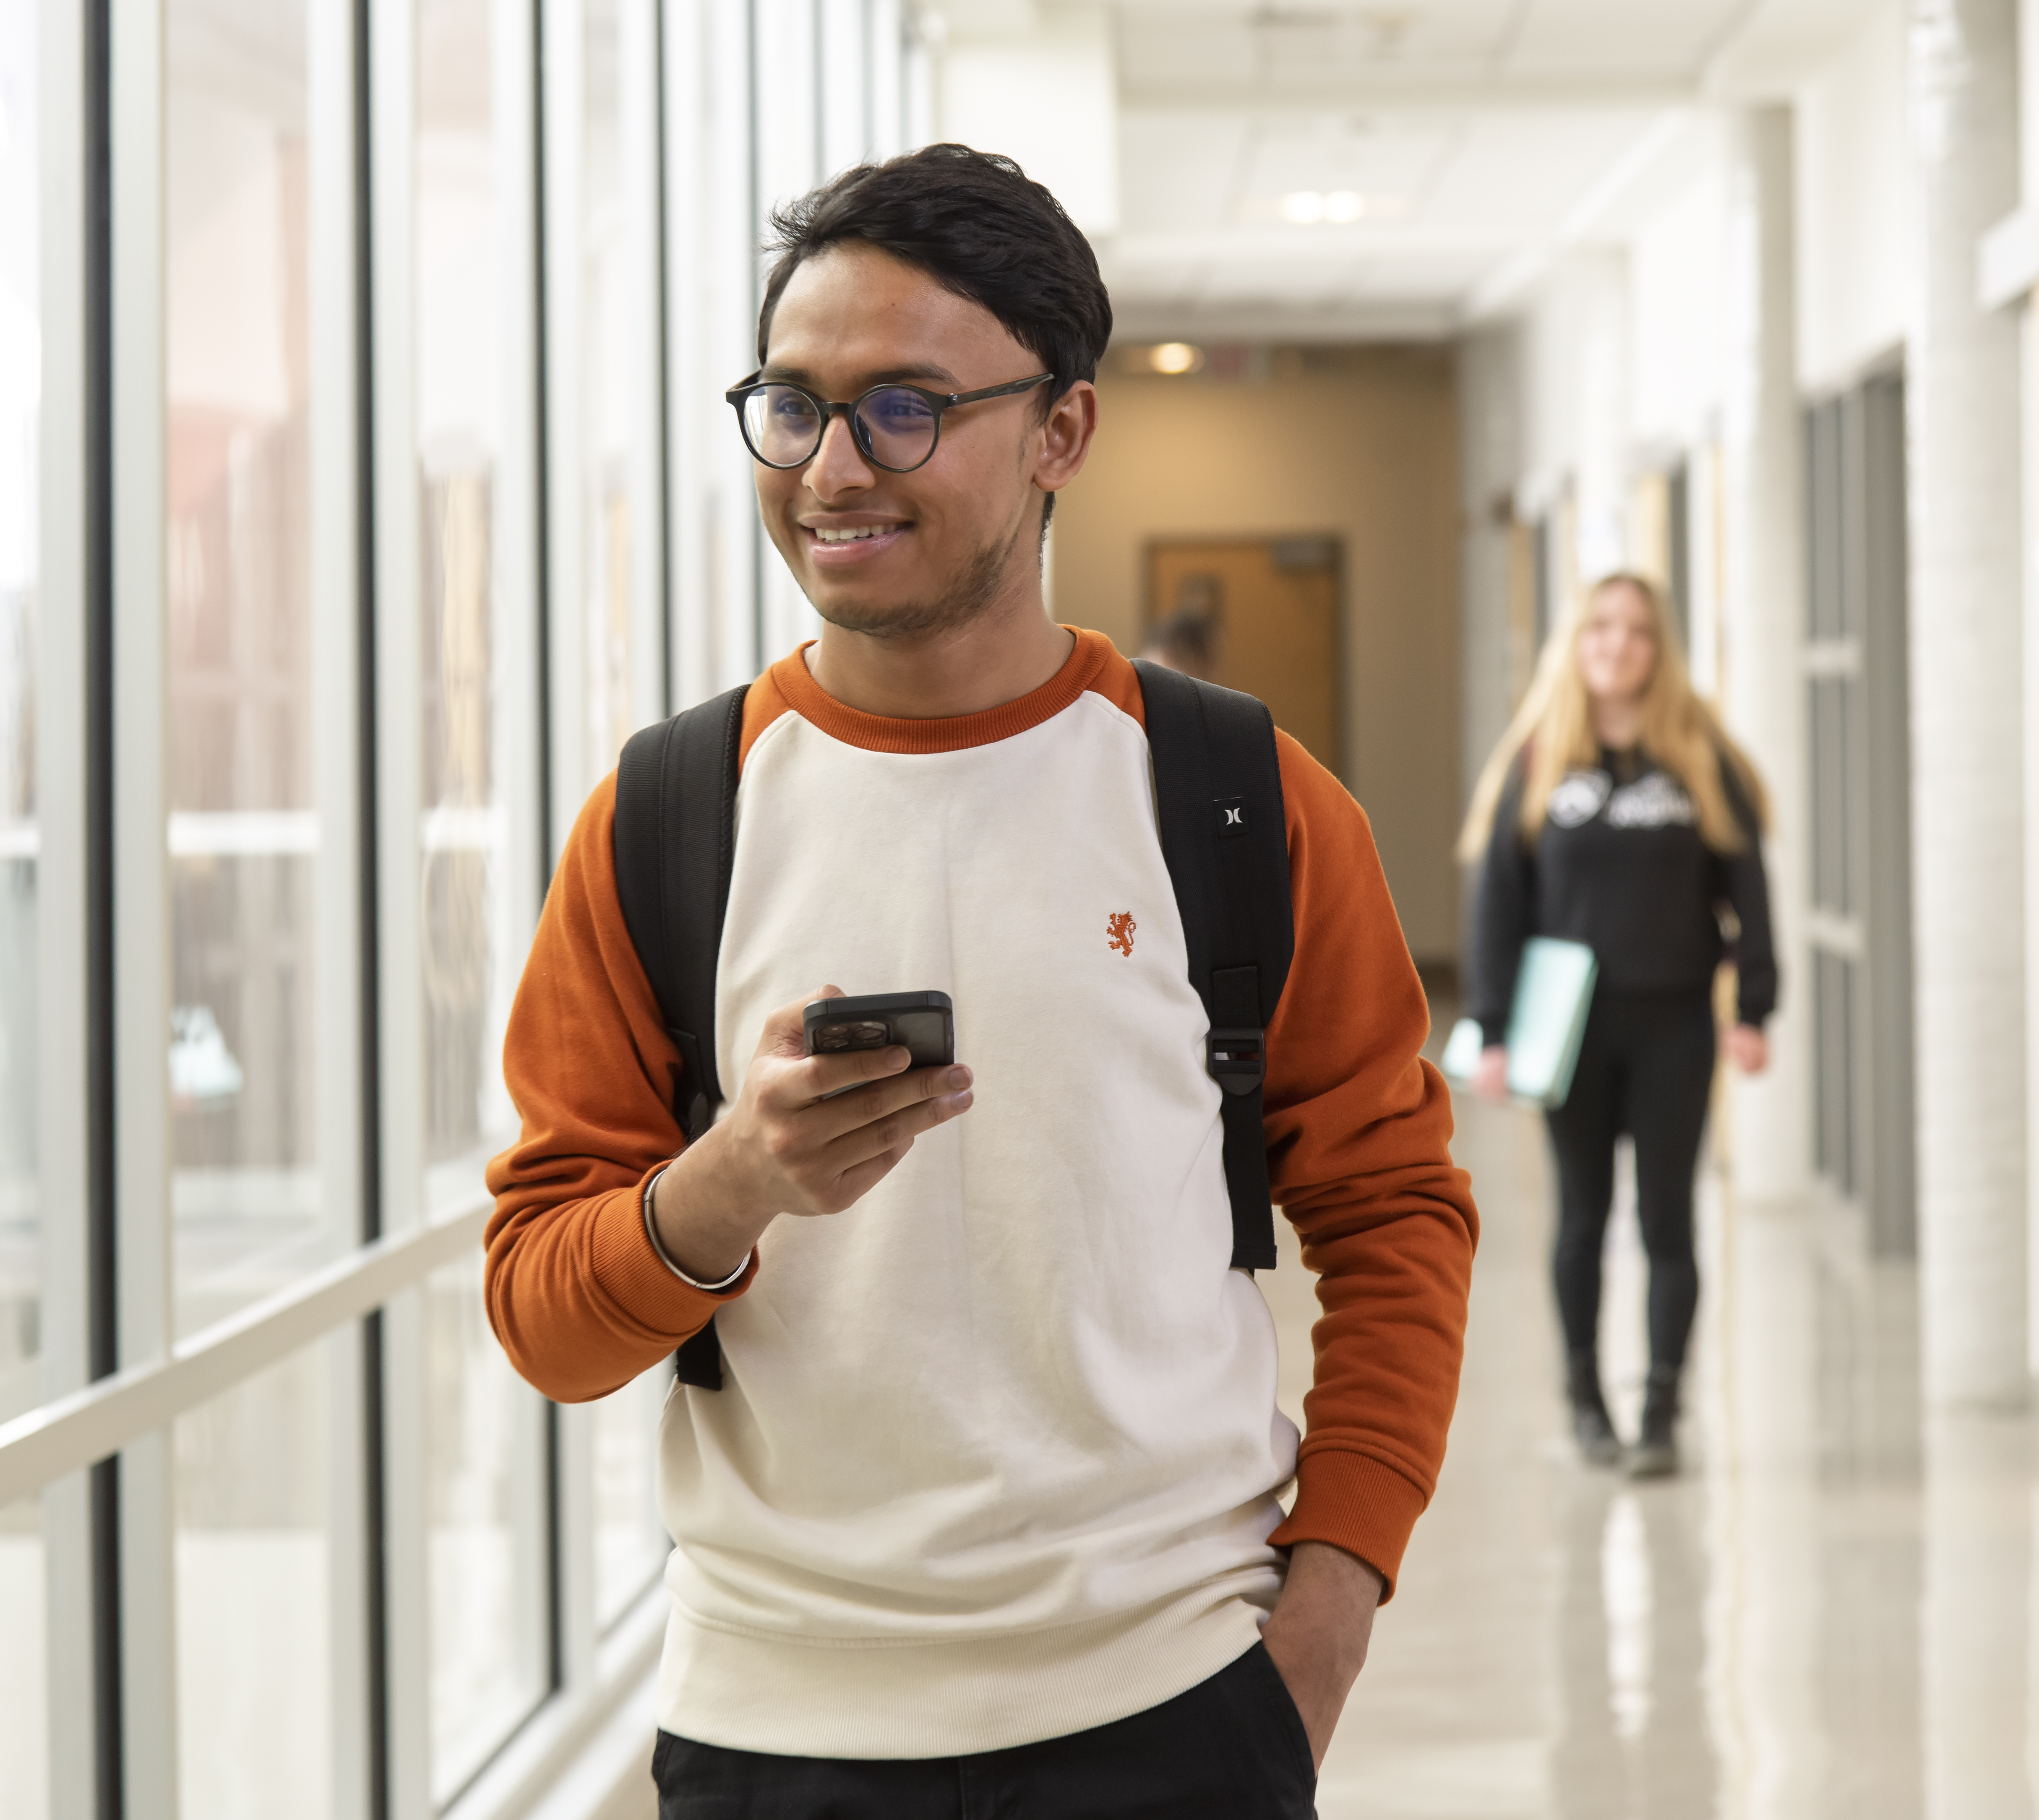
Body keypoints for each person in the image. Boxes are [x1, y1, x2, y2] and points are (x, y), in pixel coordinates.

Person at [485, 145, 1478, 1818]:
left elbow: (1393, 1215)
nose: (831, 467)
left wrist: (1333, 1606)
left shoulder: (1237, 799)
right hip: (778, 1726)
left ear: (1062, 431)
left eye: (905, 407)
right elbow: (544, 1319)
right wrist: (728, 1187)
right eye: (791, 406)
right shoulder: (668, 822)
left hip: (1172, 1701)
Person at [1460, 571, 1774, 1479]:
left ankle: (1664, 1410)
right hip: (1570, 1029)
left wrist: (1753, 1006)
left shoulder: (1698, 753)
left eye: (1637, 630)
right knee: (1582, 1218)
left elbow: (1748, 886)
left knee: (1669, 1219)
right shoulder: (1540, 756)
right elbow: (1499, 903)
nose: (1618, 644)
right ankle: (1586, 1401)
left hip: (1675, 1022)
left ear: (1658, 647)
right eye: (1601, 627)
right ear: (1577, 640)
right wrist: (1492, 1026)